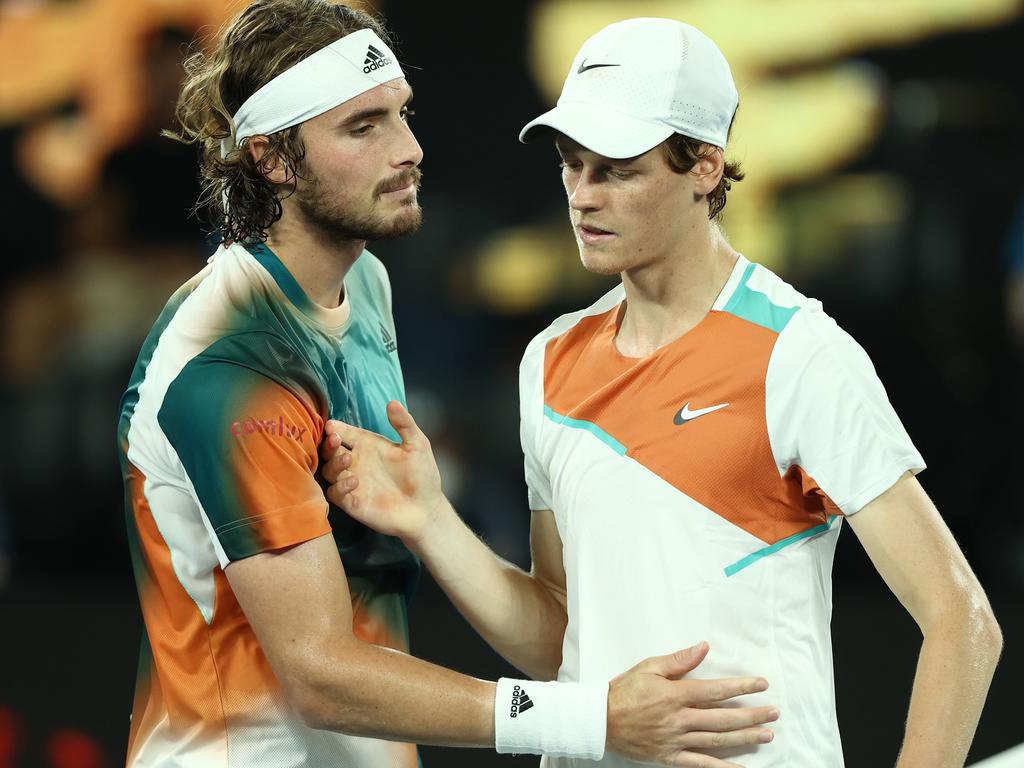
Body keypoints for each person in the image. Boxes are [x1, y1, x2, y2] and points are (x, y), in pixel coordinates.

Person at [321, 17, 1003, 768]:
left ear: (705, 166)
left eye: (616, 171)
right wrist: (429, 519)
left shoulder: (800, 354)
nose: (582, 196)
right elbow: (562, 638)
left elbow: (961, 619)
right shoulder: (550, 361)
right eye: (570, 165)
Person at [117, 3, 781, 767]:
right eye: (363, 127)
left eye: (402, 115)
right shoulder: (233, 363)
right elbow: (320, 676)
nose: (410, 150)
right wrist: (584, 717)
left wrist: (428, 513)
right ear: (272, 158)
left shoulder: (363, 282)